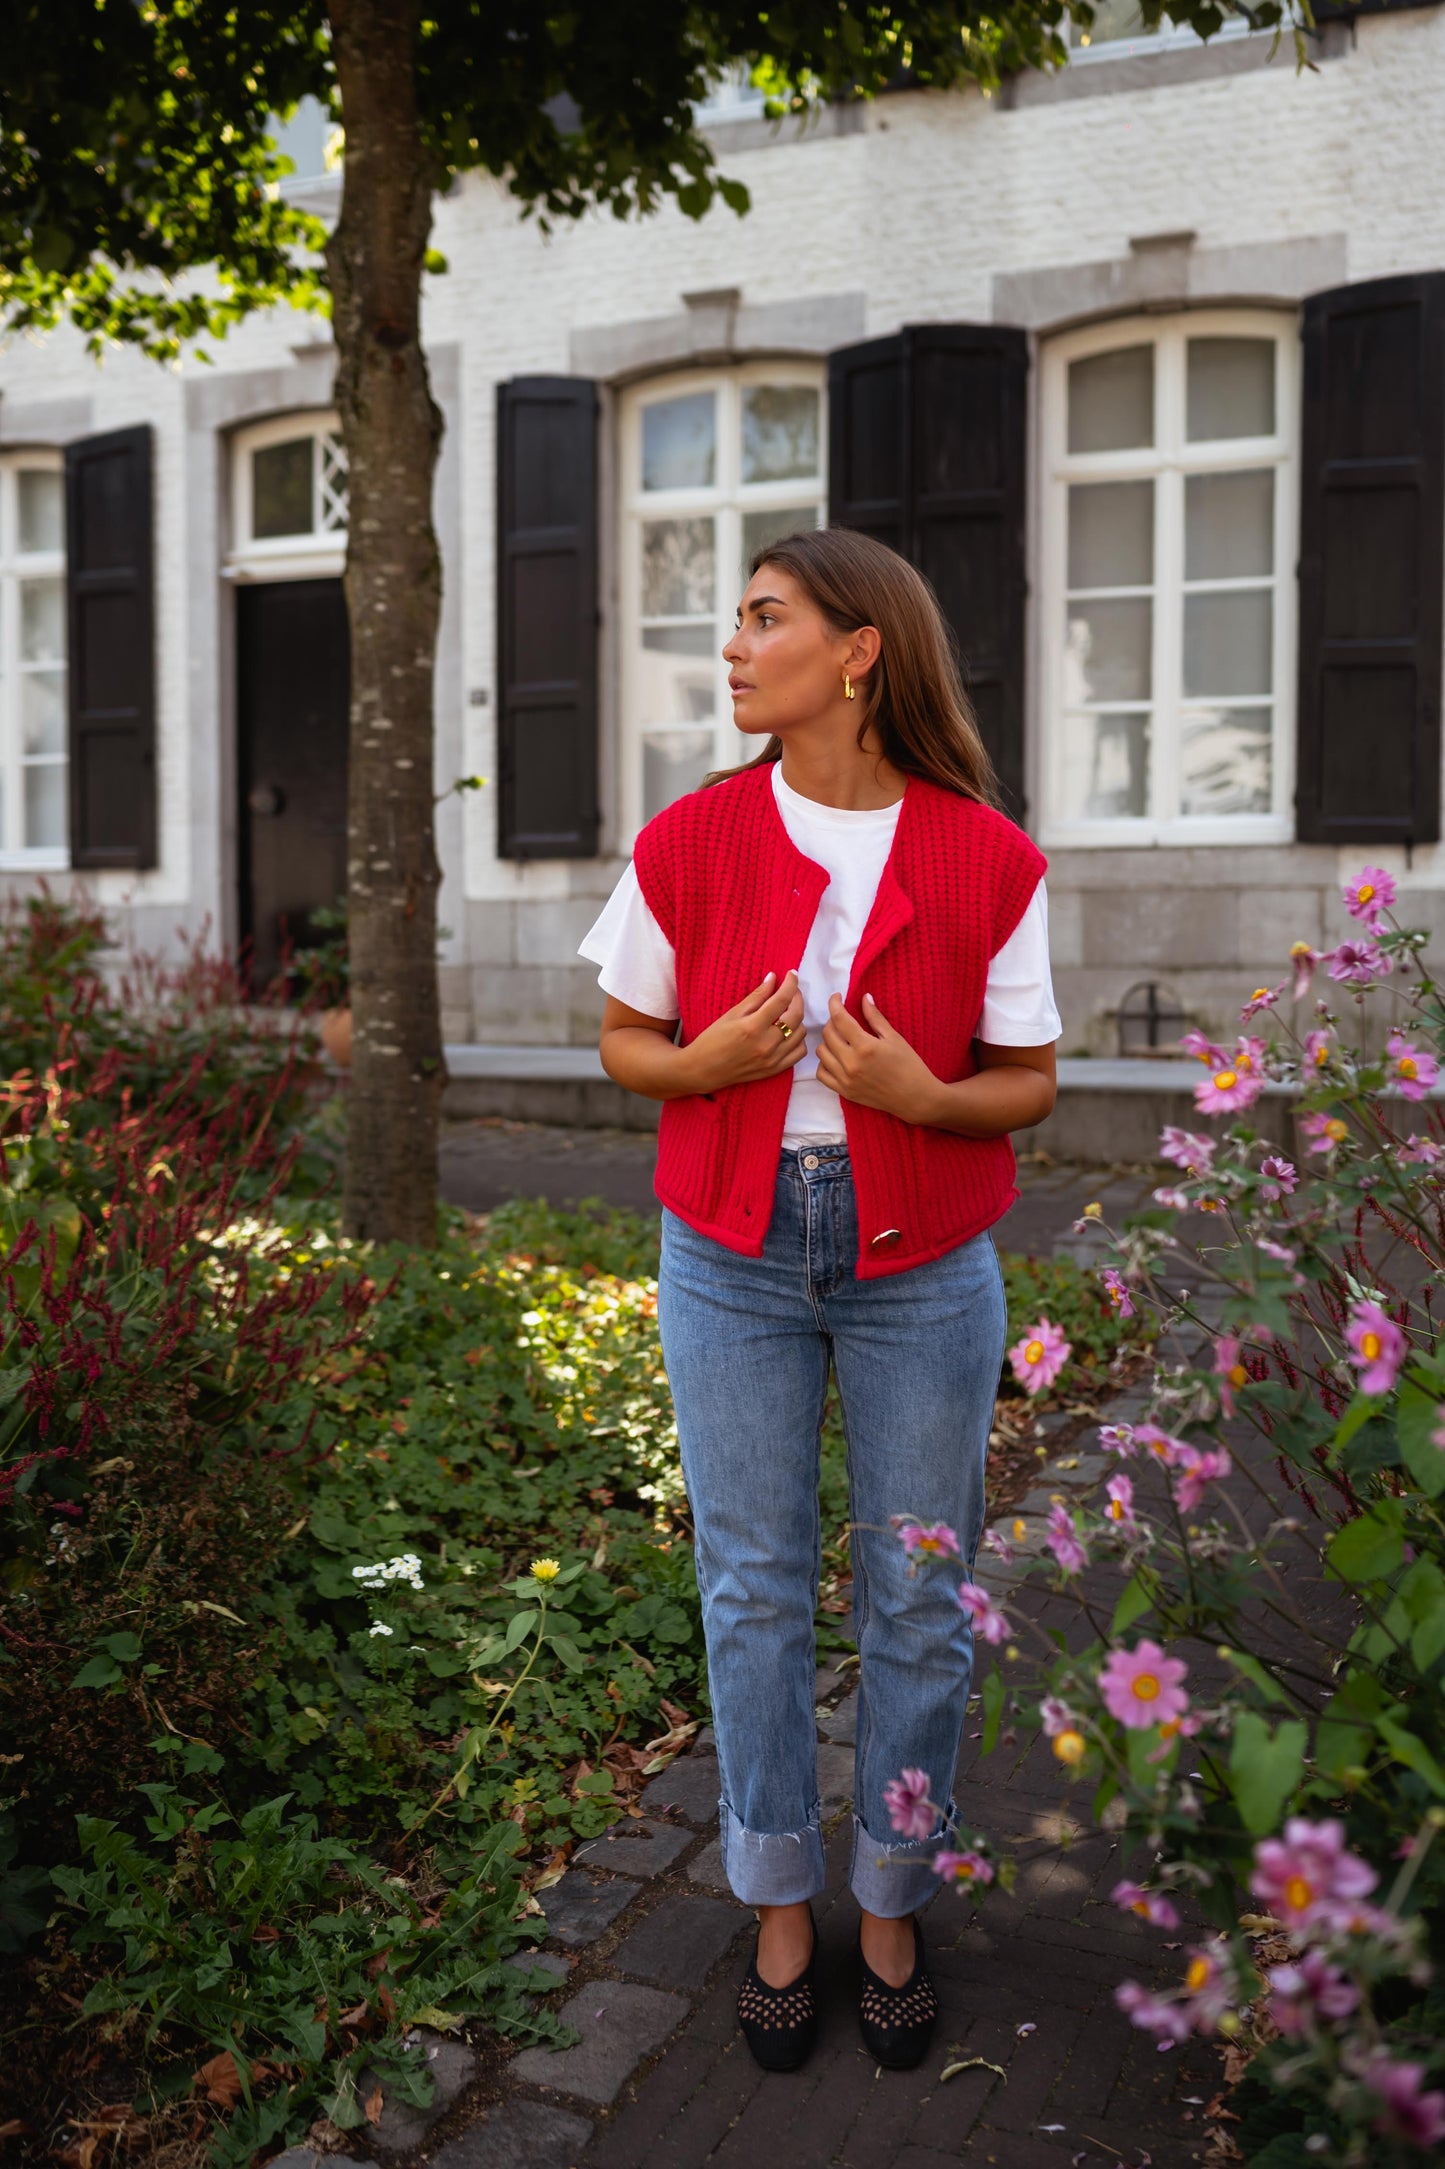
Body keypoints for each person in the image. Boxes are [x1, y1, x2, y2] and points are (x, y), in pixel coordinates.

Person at [578, 527, 1060, 2072]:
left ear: (858, 650)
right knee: (753, 1582)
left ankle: (896, 1898)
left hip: (922, 1259)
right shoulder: (688, 839)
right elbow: (622, 1040)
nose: (729, 647)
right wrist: (706, 1063)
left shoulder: (985, 853)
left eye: (762, 619)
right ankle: (781, 1899)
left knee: (919, 1592)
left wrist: (923, 1091)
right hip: (727, 1246)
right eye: (732, 623)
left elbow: (1030, 1085)